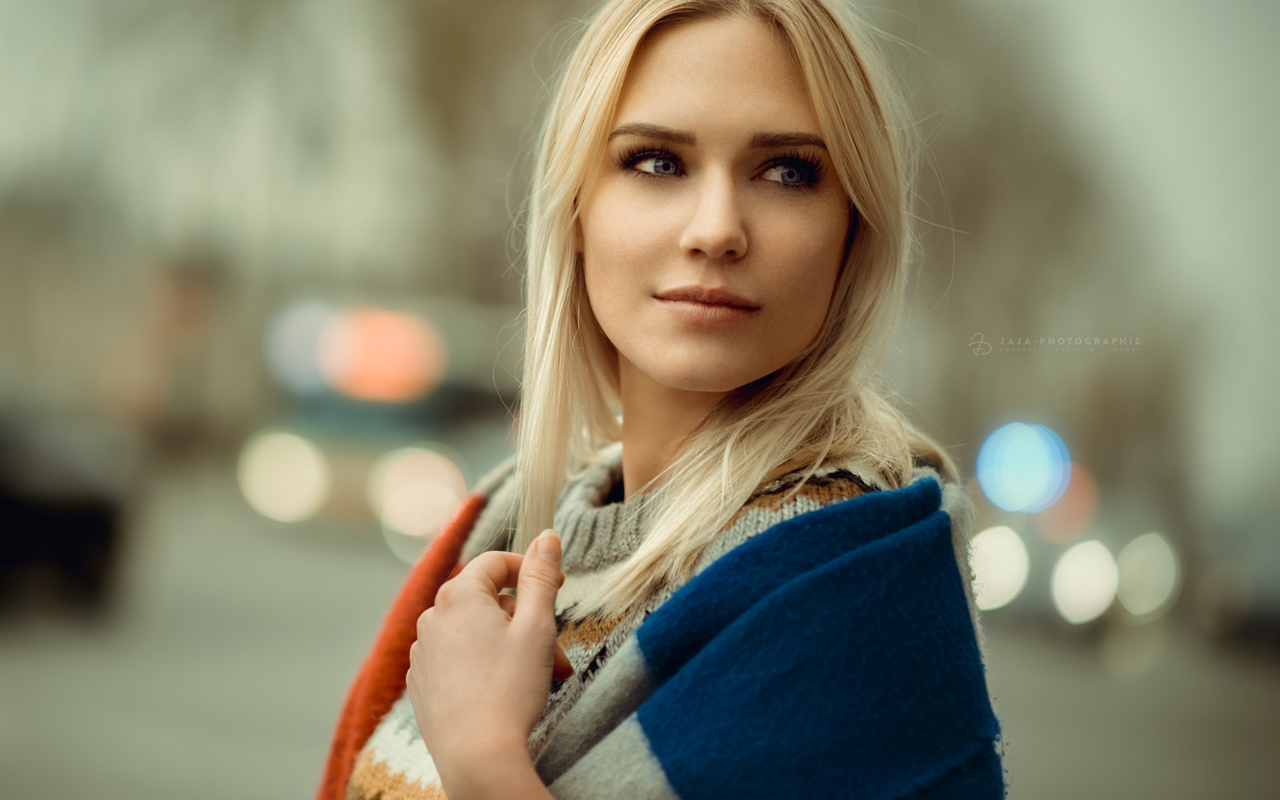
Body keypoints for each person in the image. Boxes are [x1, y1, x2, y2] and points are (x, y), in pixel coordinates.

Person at [320, 0, 1005, 797]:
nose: (716, 230)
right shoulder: (500, 526)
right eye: (656, 162)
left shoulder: (860, 594)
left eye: (787, 171)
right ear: (576, 209)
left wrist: (483, 761)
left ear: (854, 227)